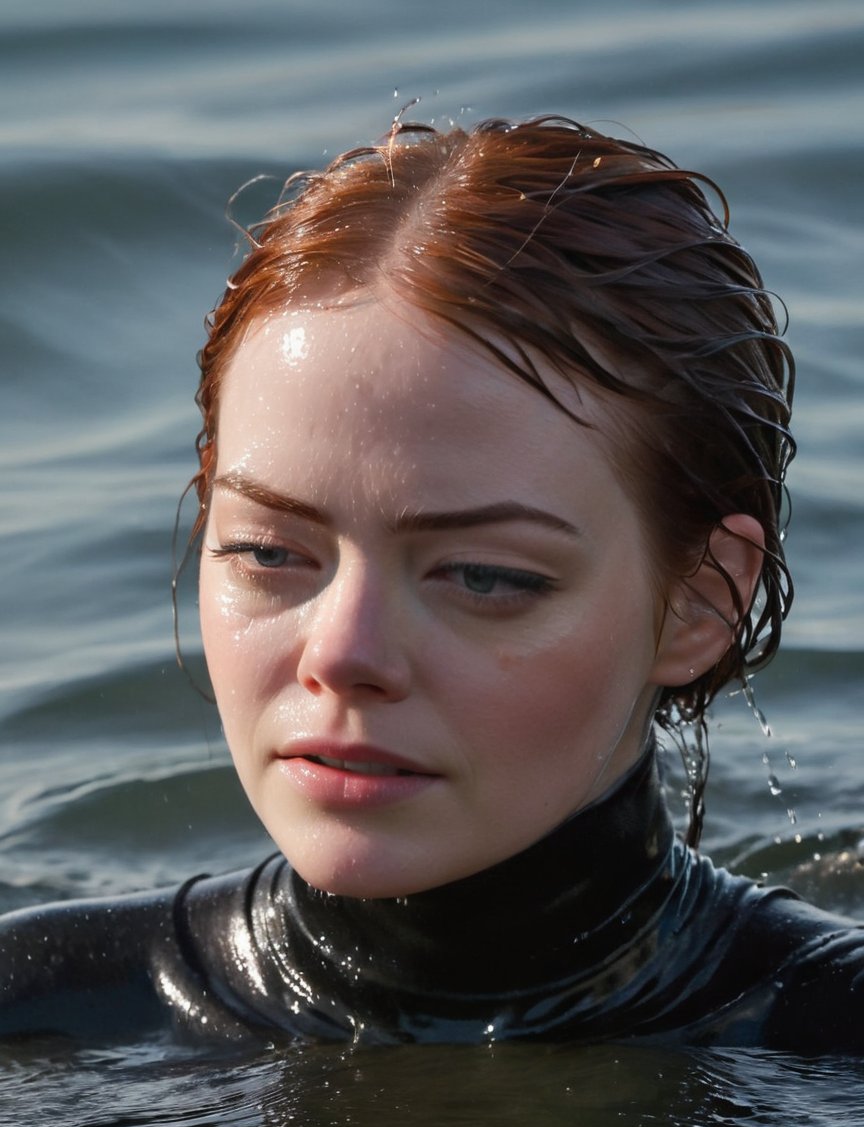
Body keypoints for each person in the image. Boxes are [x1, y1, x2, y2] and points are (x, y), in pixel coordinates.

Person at [1, 113, 862, 1053]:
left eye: (485, 576)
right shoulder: (42, 1020)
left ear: (700, 601)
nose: (343, 655)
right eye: (269, 553)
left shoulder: (830, 1043)